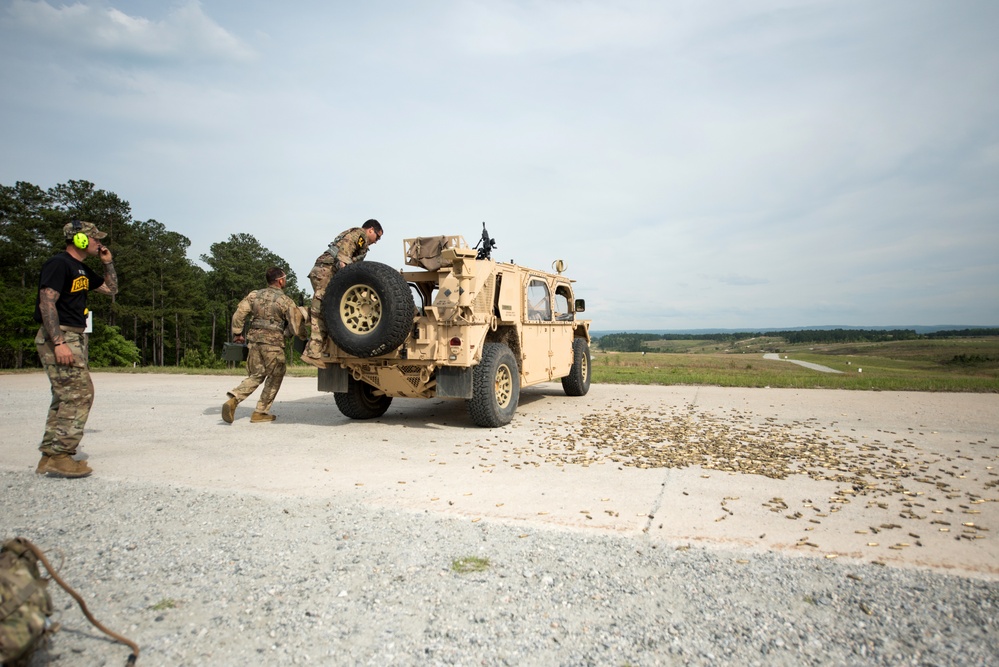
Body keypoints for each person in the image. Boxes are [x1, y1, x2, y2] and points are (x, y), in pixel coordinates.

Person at [34, 219, 118, 478]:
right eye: (94, 238)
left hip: (73, 337)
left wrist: (107, 262)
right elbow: (46, 302)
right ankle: (62, 455)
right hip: (61, 337)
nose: (98, 242)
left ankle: (49, 456)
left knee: (63, 397)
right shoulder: (59, 264)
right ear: (79, 239)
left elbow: (111, 289)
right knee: (80, 394)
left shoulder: (80, 269)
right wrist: (58, 342)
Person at [222, 267, 307, 424]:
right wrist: (298, 336)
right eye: (285, 278)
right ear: (280, 280)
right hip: (273, 344)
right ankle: (260, 412)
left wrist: (237, 334)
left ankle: (234, 398)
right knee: (276, 374)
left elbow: (239, 314)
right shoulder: (285, 301)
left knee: (257, 374)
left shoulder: (254, 295)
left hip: (254, 342)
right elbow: (296, 325)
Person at [301, 219, 383, 367]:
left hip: (324, 270)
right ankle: (311, 351)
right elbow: (345, 252)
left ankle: (303, 319)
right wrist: (346, 274)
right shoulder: (360, 235)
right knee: (320, 310)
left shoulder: (360, 240)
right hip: (327, 271)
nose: (377, 241)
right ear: (371, 230)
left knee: (327, 310)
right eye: (378, 236)